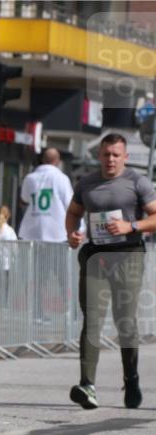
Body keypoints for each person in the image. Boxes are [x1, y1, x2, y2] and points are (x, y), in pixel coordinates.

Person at [65, 133, 156, 410]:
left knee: (125, 321)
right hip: (96, 256)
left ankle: (131, 378)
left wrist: (132, 226)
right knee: (92, 319)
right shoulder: (86, 183)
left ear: (125, 157)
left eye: (116, 155)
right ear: (99, 155)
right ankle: (87, 385)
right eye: (106, 154)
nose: (111, 159)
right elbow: (73, 212)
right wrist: (72, 234)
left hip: (128, 255)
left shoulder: (137, 182)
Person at [18, 147, 73, 243]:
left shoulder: (29, 178)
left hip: (31, 232)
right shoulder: (62, 179)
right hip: (57, 234)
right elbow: (70, 205)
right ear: (58, 161)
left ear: (42, 160)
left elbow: (24, 200)